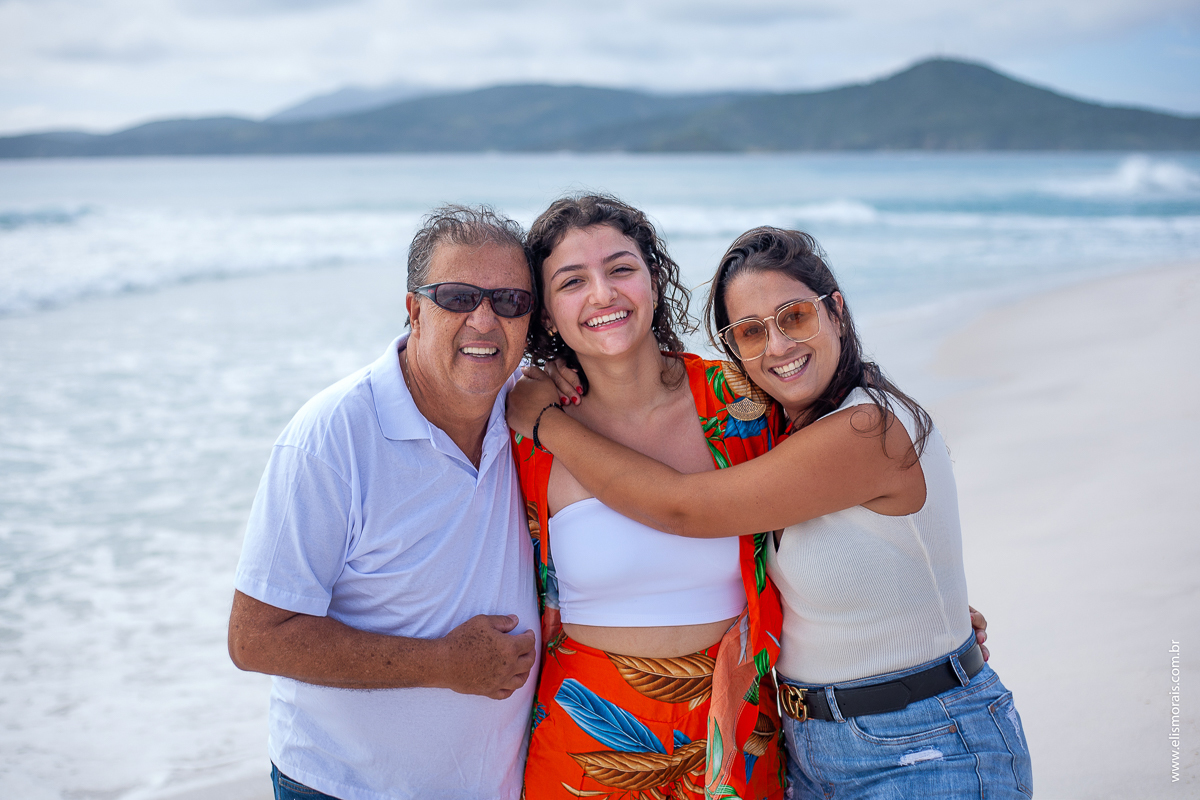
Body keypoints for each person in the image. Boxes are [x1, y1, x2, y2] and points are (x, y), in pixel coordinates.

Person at [509, 227, 1030, 799]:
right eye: (751, 332)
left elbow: (685, 508)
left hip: (881, 740)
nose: (777, 346)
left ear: (836, 310)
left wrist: (547, 423)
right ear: (549, 314)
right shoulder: (520, 431)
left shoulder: (776, 416)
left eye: (796, 317)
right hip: (784, 744)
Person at [227, 205, 541, 800]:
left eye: (509, 302)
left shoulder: (531, 410)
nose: (484, 320)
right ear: (414, 310)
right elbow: (255, 638)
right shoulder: (331, 436)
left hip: (494, 784)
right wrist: (447, 663)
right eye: (457, 297)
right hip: (345, 785)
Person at [514, 195, 787, 799]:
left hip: (736, 721)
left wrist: (909, 613)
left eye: (620, 269)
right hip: (586, 735)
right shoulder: (527, 436)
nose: (602, 294)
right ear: (548, 316)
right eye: (572, 281)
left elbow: (829, 510)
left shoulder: (738, 401)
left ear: (654, 281)